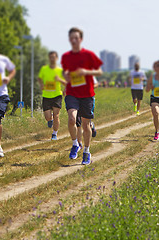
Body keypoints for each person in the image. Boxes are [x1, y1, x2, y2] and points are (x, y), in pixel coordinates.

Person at [61, 27, 103, 165]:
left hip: (87, 94)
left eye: (76, 38)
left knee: (86, 125)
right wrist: (66, 75)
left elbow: (99, 72)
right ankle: (75, 144)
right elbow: (65, 72)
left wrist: (85, 71)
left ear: (81, 39)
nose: (74, 40)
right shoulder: (66, 56)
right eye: (71, 38)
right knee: (72, 119)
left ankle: (86, 151)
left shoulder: (89, 55)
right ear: (69, 39)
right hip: (72, 93)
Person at [37, 51, 66, 140]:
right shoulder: (44, 69)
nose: (52, 59)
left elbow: (66, 82)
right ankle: (50, 120)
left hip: (57, 95)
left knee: (56, 115)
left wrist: (64, 88)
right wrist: (41, 84)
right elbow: (39, 78)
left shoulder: (60, 70)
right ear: (49, 59)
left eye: (54, 57)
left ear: (57, 58)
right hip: (46, 95)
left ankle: (54, 133)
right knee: (47, 117)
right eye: (50, 57)